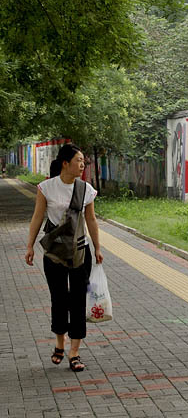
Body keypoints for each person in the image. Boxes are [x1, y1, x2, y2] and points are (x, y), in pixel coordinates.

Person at [25, 143, 104, 372]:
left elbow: (91, 220)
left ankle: (74, 351)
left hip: (80, 251)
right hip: (54, 254)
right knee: (59, 298)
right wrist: (29, 246)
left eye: (83, 161)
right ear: (65, 163)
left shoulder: (85, 189)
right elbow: (37, 218)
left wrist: (97, 247)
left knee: (78, 299)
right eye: (79, 160)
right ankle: (59, 344)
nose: (82, 165)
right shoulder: (46, 188)